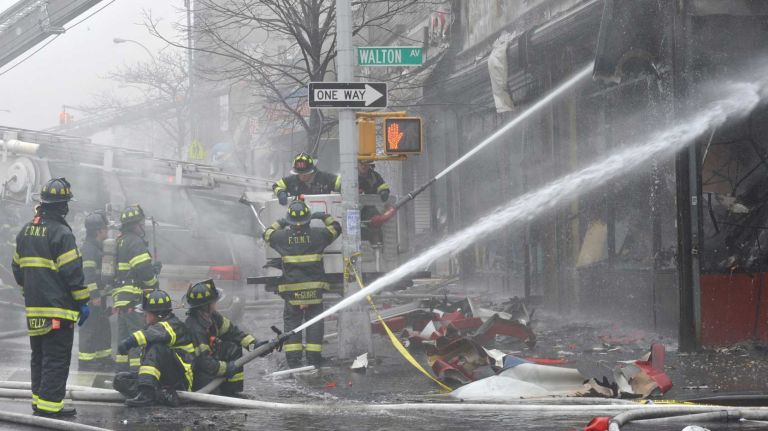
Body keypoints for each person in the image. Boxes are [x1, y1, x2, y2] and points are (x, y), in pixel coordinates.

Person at [11, 178, 89, 417]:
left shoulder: (25, 231)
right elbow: (72, 272)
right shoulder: (62, 233)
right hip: (58, 310)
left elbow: (16, 267)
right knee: (56, 358)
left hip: (34, 309)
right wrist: (82, 301)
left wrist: (30, 290)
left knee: (39, 356)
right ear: (62, 205)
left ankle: (39, 402)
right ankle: (50, 407)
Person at [263, 200, 341, 368]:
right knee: (314, 323)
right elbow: (336, 228)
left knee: (292, 324)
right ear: (308, 219)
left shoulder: (282, 237)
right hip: (314, 291)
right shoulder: (319, 235)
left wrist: (281, 222)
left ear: (289, 220)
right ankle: (314, 359)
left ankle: (293, 361)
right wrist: (324, 216)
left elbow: (267, 234)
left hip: (292, 292)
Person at [185, 279, 268, 395]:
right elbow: (203, 362)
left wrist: (254, 346)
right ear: (206, 306)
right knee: (212, 397)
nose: (215, 304)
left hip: (209, 364)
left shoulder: (213, 317)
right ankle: (219, 394)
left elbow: (233, 333)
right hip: (197, 373)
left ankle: (232, 391)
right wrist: (227, 368)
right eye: (213, 302)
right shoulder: (195, 328)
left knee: (232, 348)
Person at [113, 289, 194, 407]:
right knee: (120, 379)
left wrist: (128, 342)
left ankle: (147, 395)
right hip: (162, 380)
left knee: (157, 348)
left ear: (158, 314)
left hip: (180, 380)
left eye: (147, 313)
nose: (144, 316)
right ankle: (160, 395)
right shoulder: (155, 327)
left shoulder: (173, 325)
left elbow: (152, 334)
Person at [113, 204, 161, 371]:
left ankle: (121, 371)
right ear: (135, 224)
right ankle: (136, 373)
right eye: (141, 223)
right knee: (137, 337)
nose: (143, 226)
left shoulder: (120, 241)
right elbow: (144, 271)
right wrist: (154, 280)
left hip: (121, 299)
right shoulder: (135, 242)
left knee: (124, 337)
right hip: (134, 299)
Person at [78, 211, 113, 371]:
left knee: (101, 325)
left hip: (99, 295)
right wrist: (94, 295)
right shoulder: (89, 249)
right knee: (90, 326)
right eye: (105, 228)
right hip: (90, 297)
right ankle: (86, 360)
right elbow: (88, 275)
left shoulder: (97, 247)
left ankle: (102, 357)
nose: (107, 231)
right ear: (98, 231)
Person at [272, 152, 341, 205]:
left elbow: (341, 183)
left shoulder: (324, 178)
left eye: (305, 173)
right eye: (299, 174)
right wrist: (280, 192)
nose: (302, 176)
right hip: (299, 216)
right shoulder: (292, 180)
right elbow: (276, 186)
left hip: (322, 215)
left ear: (312, 170)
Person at [358, 160, 391, 243]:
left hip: (371, 209)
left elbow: (383, 186)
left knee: (377, 225)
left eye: (365, 164)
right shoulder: (351, 176)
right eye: (361, 164)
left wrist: (384, 192)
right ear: (357, 164)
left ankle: (378, 245)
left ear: (369, 164)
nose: (363, 166)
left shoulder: (375, 176)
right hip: (355, 211)